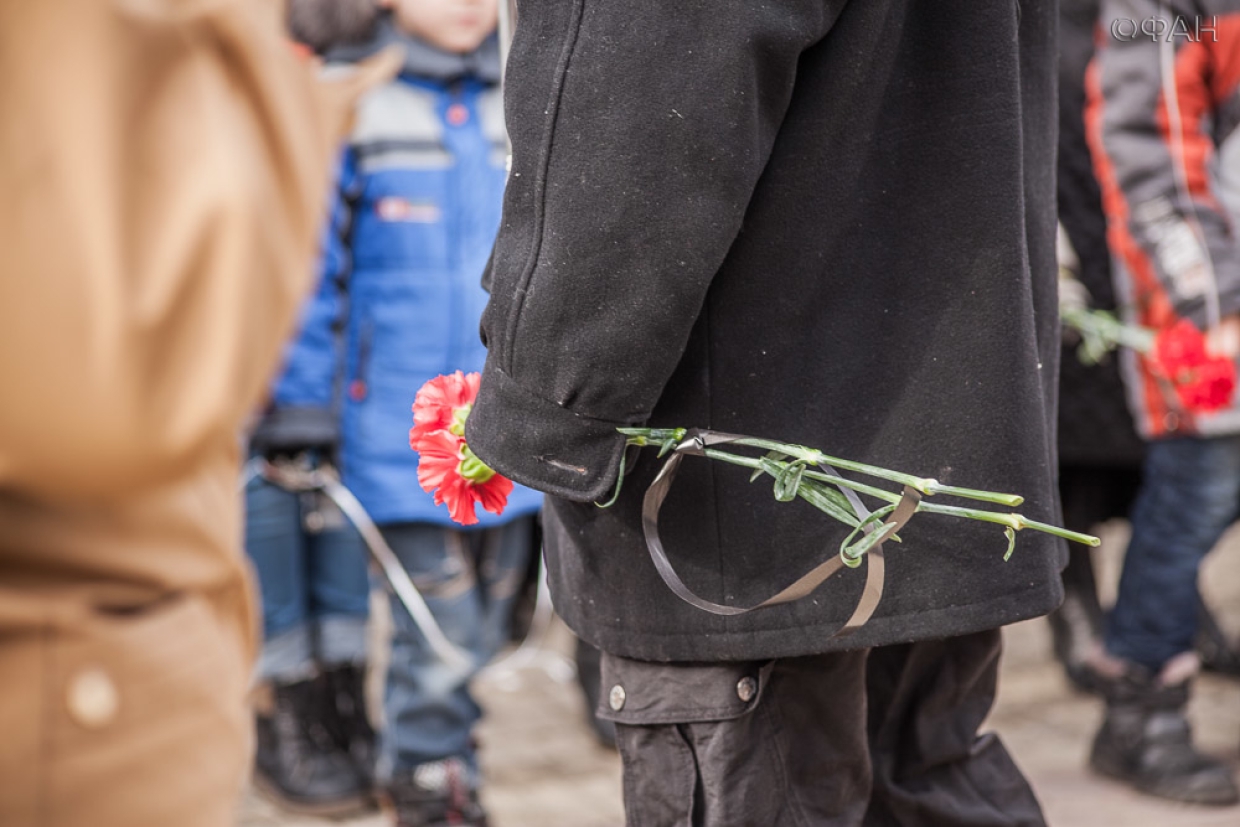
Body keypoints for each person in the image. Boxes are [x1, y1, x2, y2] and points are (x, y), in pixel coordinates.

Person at [467, 2, 1064, 824]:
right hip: (934, 437)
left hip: (738, 496)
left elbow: (640, 89)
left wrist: (547, 406)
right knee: (921, 773)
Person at [0, 1, 394, 825]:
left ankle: (327, 707)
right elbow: (101, 404)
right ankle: (295, 711)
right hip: (68, 711)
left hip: (119, 690)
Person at [264, 1, 542, 824]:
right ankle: (431, 782)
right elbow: (311, 273)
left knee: (493, 621)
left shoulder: (524, 102)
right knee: (436, 629)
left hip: (510, 433)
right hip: (396, 439)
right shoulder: (352, 103)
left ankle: (444, 748)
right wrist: (301, 402)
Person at [1084, 0, 1240, 806]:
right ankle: (1142, 715)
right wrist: (1215, 303)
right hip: (1207, 313)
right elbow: (1145, 145)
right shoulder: (1167, 10)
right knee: (1193, 497)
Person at [1049, 0, 1147, 694]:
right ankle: (1076, 615)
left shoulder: (1149, 17)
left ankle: (1161, 608)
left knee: (1154, 465)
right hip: (1067, 261)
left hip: (1136, 254)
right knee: (1072, 468)